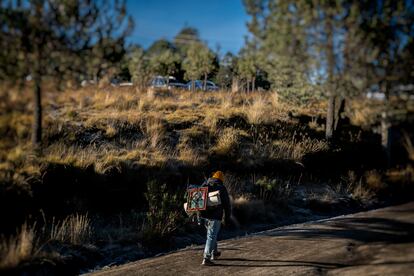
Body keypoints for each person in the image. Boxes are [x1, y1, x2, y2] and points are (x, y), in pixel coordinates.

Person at [200, 171, 231, 266]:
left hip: (204, 215)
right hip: (215, 216)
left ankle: (214, 252)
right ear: (221, 179)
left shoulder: (205, 184)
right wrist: (227, 219)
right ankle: (206, 258)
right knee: (212, 235)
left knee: (212, 234)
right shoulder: (221, 188)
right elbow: (227, 205)